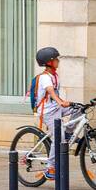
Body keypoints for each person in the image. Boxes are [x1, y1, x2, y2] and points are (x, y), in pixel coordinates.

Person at [33, 46, 71, 179]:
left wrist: (63, 102)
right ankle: (51, 167)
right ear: (48, 62)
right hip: (48, 112)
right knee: (58, 136)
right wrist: (60, 101)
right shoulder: (45, 78)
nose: (58, 61)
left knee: (79, 108)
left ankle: (69, 132)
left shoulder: (55, 75)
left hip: (57, 107)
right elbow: (50, 91)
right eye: (56, 59)